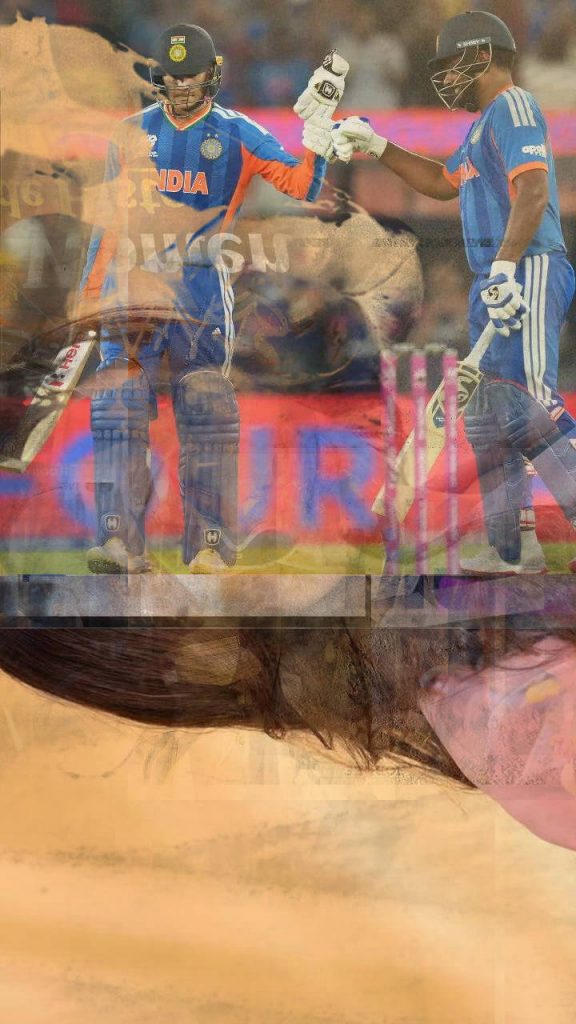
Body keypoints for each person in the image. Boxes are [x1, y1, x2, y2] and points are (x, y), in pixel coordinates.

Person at [78, 24, 342, 575]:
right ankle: (119, 541)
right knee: (118, 405)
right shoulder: (129, 134)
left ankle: (210, 546)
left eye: (190, 75)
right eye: (172, 76)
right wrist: (88, 297)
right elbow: (106, 224)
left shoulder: (239, 133)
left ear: (212, 74)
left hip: (200, 293)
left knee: (205, 410)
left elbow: (303, 187)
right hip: (132, 288)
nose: (180, 85)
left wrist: (317, 138)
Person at [330, 9, 576, 576]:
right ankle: (512, 547)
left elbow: (533, 191)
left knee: (527, 406)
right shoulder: (484, 124)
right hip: (499, 275)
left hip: (527, 267)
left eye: (451, 64)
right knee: (490, 415)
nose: (443, 78)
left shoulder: (513, 106)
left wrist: (507, 267)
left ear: (483, 55)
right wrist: (376, 144)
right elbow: (442, 184)